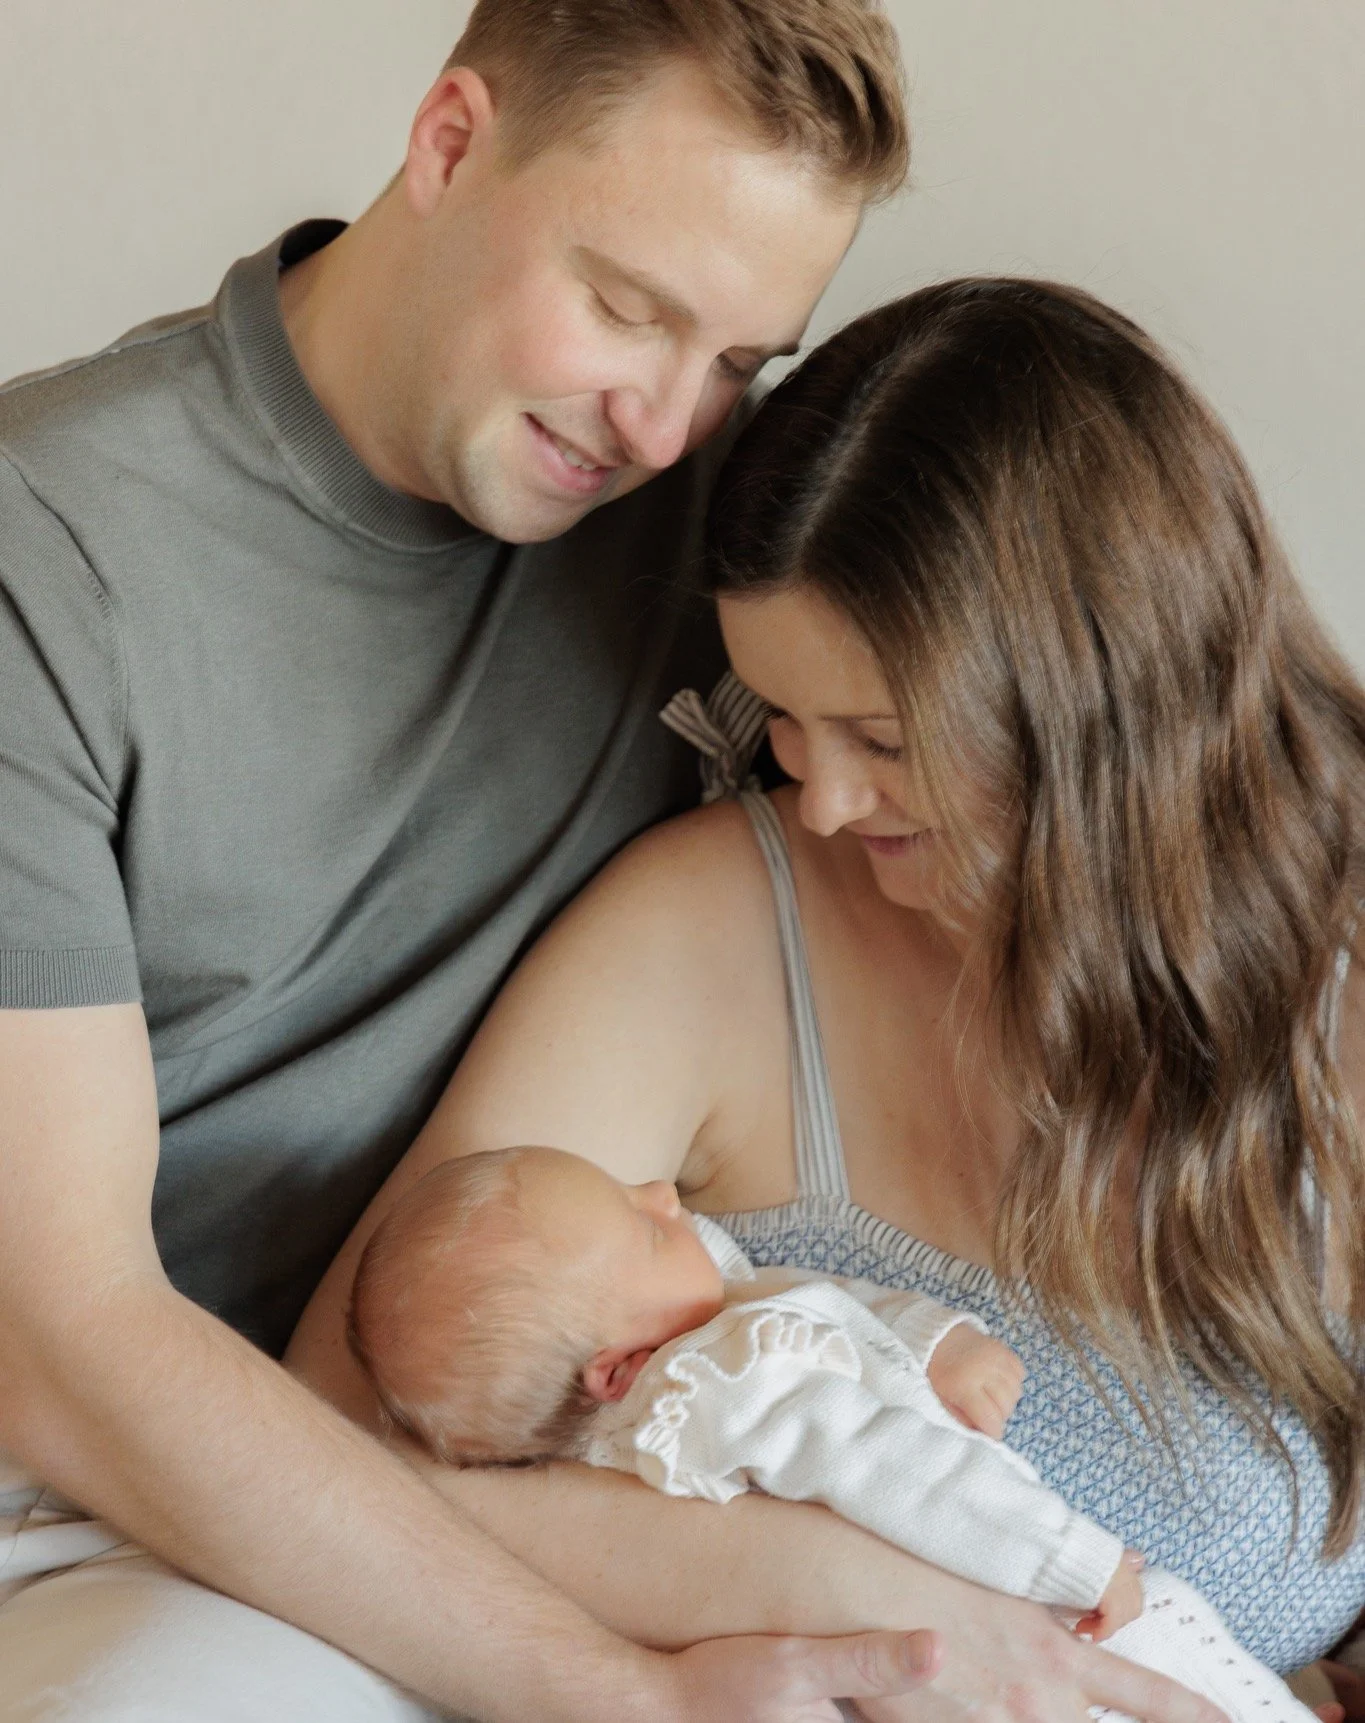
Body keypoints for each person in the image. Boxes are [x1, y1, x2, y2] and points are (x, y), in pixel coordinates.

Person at [0, 2, 1001, 1717]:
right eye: (628, 308)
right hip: (107, 1504)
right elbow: (60, 1340)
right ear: (450, 142)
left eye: (740, 358)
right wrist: (625, 1694)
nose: (666, 425)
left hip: (581, 1428)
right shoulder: (52, 551)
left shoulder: (726, 525)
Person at [288, 276, 1365, 1722]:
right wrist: (865, 1606)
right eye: (787, 723)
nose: (825, 803)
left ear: (1108, 708)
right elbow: (339, 1444)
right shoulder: (710, 932)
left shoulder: (1340, 979)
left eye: (885, 738)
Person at [342, 1142, 1320, 1723]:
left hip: (980, 1649)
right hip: (1040, 1614)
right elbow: (900, 1468)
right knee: (1184, 1650)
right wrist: (1075, 1557)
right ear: (616, 1370)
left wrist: (936, 1343)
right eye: (643, 1227)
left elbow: (809, 1300)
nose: (663, 1195)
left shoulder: (685, 1353)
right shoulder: (728, 1384)